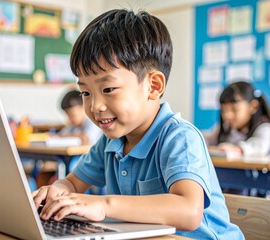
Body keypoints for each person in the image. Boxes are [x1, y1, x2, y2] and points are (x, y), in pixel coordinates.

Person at [32, 9, 244, 239]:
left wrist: (104, 205)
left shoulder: (179, 137)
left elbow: (189, 211)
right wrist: (58, 191)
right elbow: (72, 183)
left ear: (153, 86)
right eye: (85, 92)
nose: (95, 106)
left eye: (108, 89)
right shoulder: (109, 144)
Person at [204, 81, 270, 158]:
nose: (228, 115)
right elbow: (207, 138)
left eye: (234, 109)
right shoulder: (225, 128)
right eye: (224, 110)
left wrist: (237, 149)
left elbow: (259, 146)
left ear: (253, 106)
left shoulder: (264, 128)